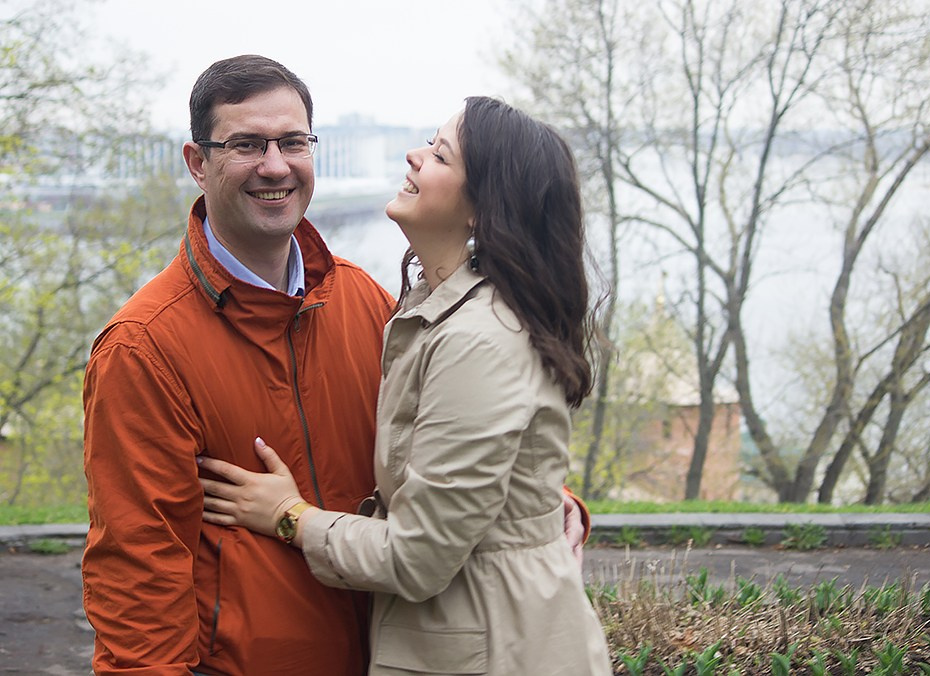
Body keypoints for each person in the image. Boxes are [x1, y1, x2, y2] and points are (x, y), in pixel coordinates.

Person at [81, 55, 587, 676]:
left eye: (293, 142)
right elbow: (137, 576)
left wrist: (536, 496)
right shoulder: (144, 348)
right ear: (197, 162)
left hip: (393, 653)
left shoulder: (360, 301)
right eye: (247, 145)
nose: (275, 165)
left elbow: (448, 439)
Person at [199, 96, 613, 675]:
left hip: (496, 651)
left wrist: (289, 517)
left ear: (483, 209)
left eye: (440, 155)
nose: (414, 156)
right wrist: (539, 500)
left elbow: (419, 556)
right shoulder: (428, 312)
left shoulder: (477, 337)